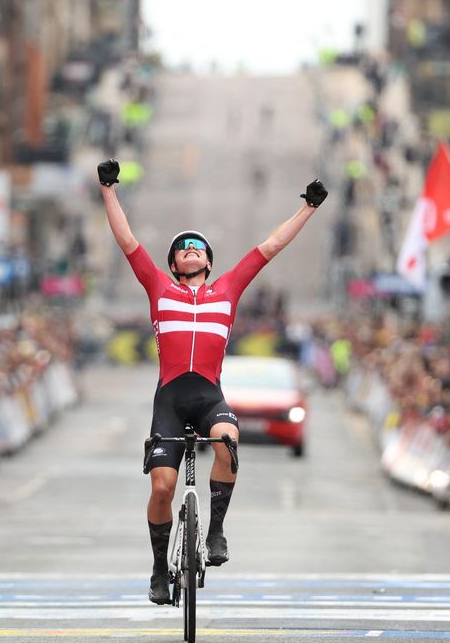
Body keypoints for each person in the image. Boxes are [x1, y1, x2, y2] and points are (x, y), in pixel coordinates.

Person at [97, 157, 327, 605]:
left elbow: (269, 246)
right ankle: (160, 570)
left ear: (207, 261)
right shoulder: (159, 288)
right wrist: (109, 188)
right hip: (169, 398)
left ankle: (216, 532)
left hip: (208, 397)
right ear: (173, 263)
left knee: (228, 440)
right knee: (162, 488)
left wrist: (308, 208)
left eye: (196, 247)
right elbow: (127, 240)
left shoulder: (229, 289)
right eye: (182, 247)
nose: (189, 249)